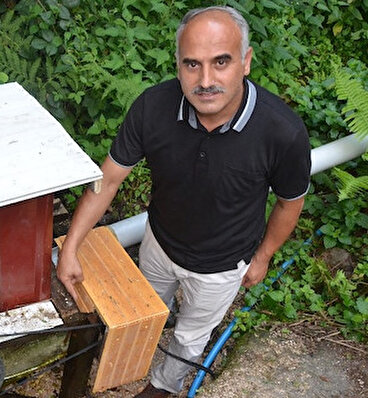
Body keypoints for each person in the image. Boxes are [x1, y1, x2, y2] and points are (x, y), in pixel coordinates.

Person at [56, 6, 311, 398]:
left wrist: (263, 257)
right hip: (159, 242)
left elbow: (289, 203)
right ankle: (134, 351)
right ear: (177, 65)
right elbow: (106, 180)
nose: (205, 81)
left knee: (192, 337)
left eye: (220, 62)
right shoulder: (153, 107)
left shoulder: (283, 132)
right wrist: (71, 247)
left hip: (221, 266)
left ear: (246, 62)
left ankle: (161, 387)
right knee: (145, 306)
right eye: (192, 64)